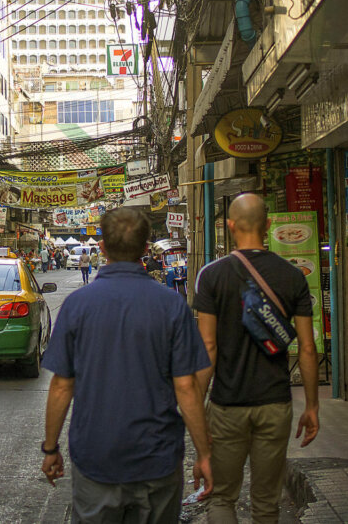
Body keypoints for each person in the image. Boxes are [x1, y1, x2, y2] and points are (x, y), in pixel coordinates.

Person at [40, 207, 213, 522]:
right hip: (157, 458)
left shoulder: (78, 305)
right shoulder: (171, 305)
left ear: (102, 248)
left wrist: (50, 448)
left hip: (96, 457)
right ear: (146, 249)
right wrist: (204, 453)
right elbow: (186, 386)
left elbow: (62, 385)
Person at [192, 193, 319, 524]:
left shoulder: (212, 275)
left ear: (231, 226)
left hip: (227, 404)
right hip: (275, 404)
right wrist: (312, 406)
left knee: (221, 498)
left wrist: (196, 404)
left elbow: (208, 347)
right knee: (266, 503)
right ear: (268, 225)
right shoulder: (293, 276)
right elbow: (306, 347)